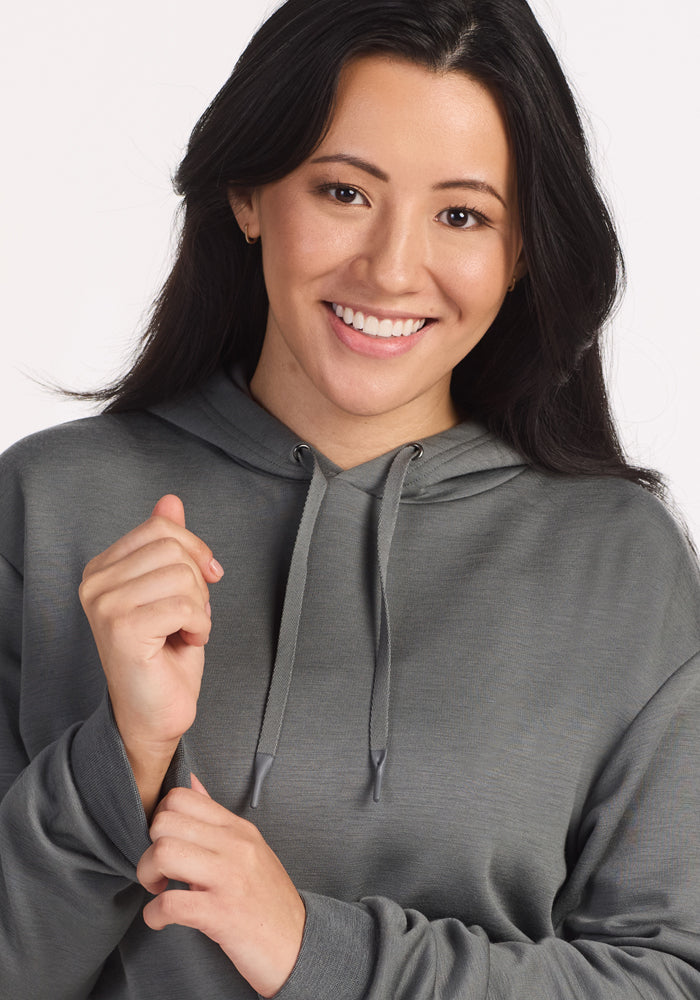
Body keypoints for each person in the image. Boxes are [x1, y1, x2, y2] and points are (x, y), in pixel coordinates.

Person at [1, 0, 699, 996]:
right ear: (248, 194)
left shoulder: (618, 561)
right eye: (342, 191)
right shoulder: (51, 504)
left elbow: (667, 979)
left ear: (524, 253)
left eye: (461, 214)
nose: (391, 267)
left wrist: (309, 946)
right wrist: (121, 757)